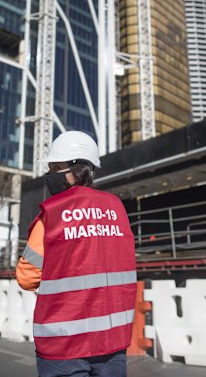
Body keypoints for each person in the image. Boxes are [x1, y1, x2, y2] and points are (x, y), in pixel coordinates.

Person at [16, 131, 137, 377]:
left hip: (63, 343)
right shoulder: (117, 209)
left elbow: (26, 276)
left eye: (55, 167)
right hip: (112, 341)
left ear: (74, 168)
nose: (50, 174)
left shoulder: (53, 214)